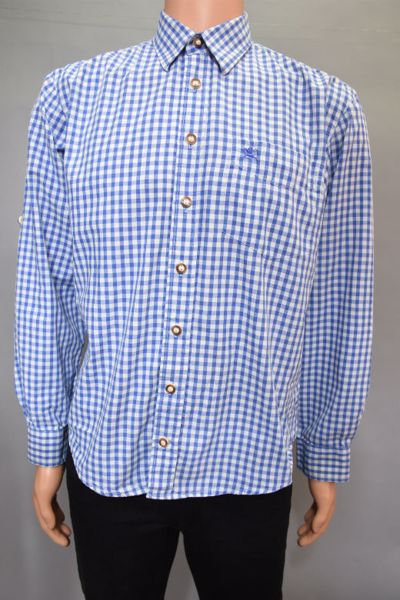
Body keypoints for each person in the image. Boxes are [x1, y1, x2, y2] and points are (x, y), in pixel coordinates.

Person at [13, 0, 374, 598]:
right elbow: (48, 282)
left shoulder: (325, 108)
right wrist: (48, 440)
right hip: (110, 453)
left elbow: (338, 294)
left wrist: (325, 447)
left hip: (247, 457)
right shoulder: (72, 96)